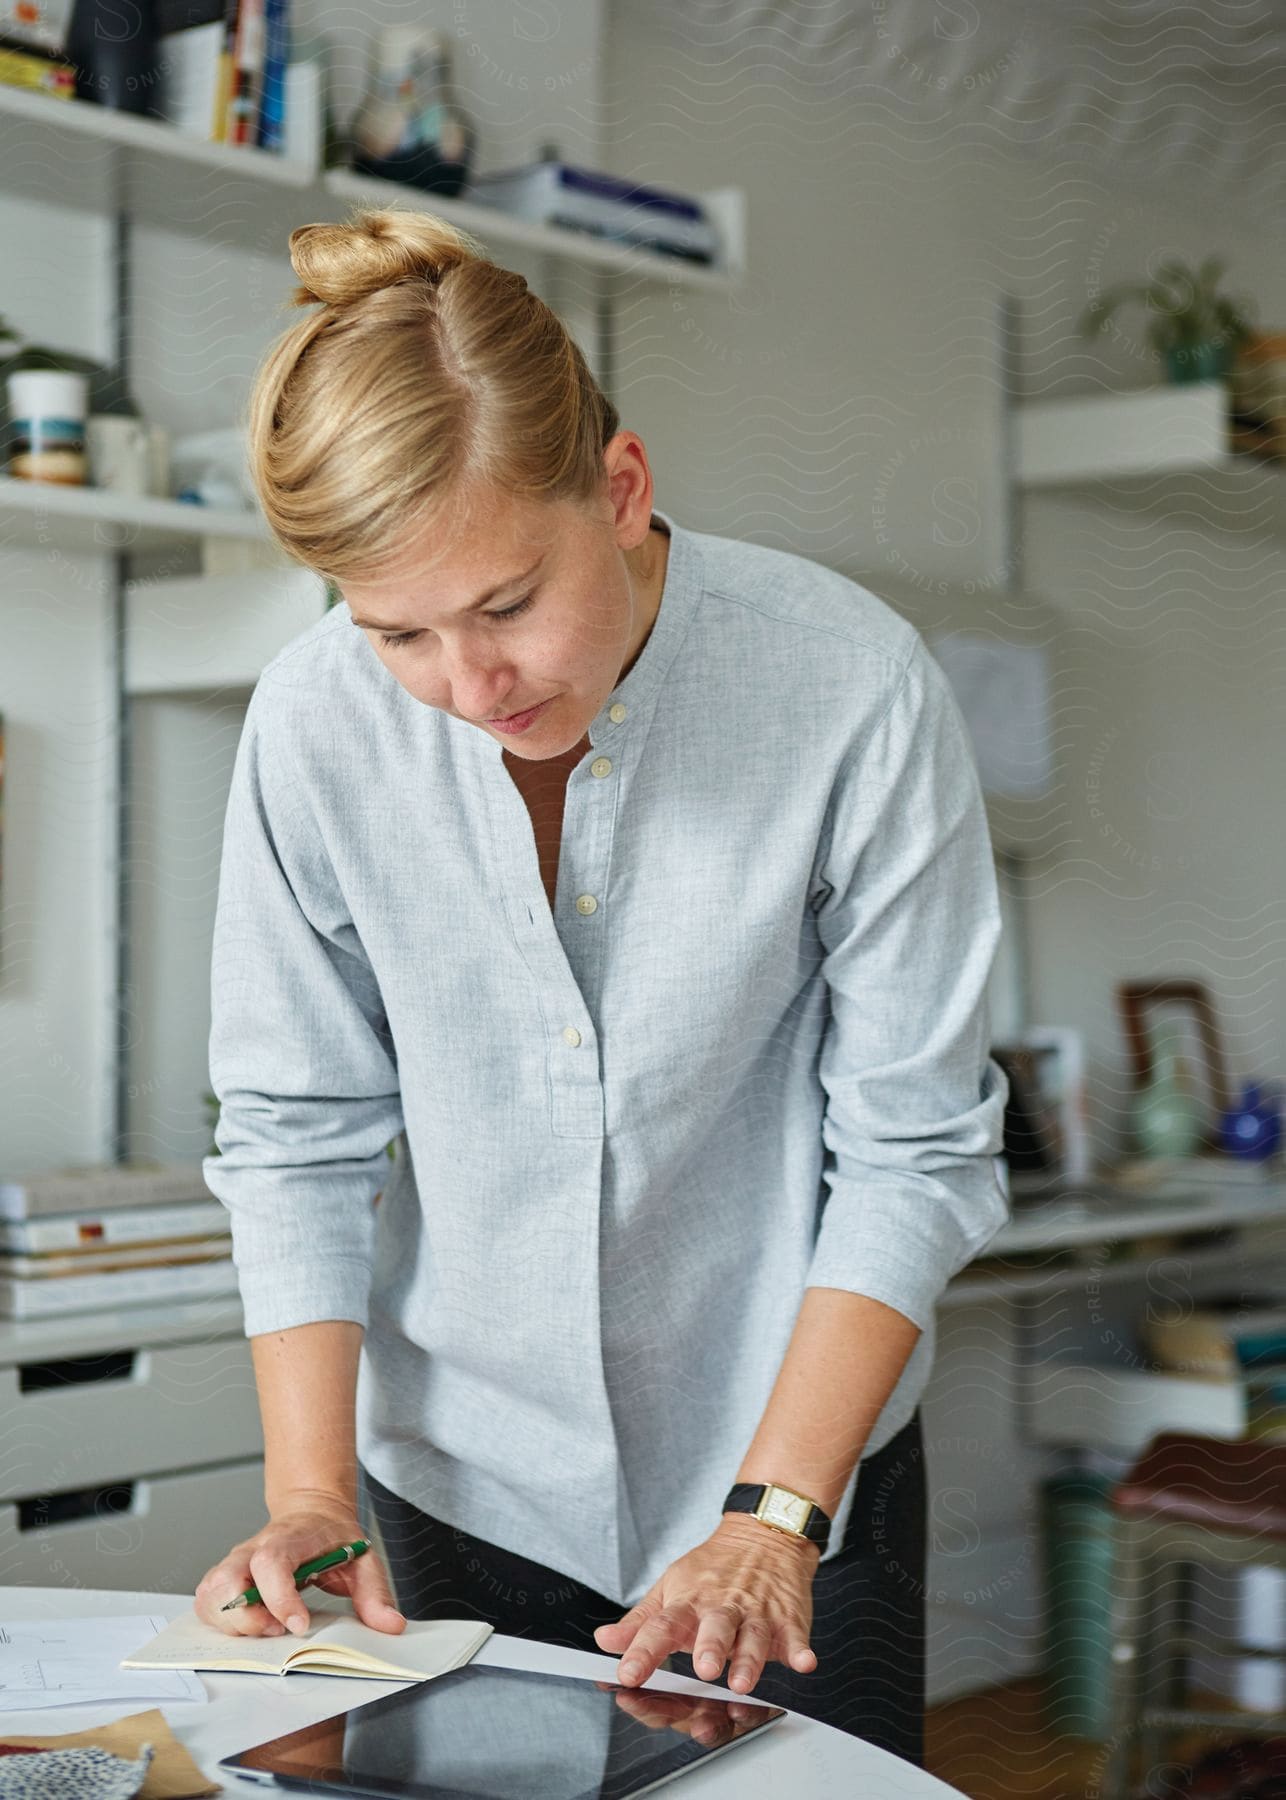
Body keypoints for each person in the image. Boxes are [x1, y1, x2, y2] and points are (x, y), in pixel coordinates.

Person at [195, 205, 1010, 1767]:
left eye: (504, 605)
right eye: (399, 635)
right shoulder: (309, 728)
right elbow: (295, 1131)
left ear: (622, 490)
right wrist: (309, 1498)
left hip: (790, 1462)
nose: (469, 685)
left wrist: (771, 1517)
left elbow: (913, 1150)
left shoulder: (847, 688)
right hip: (463, 1471)